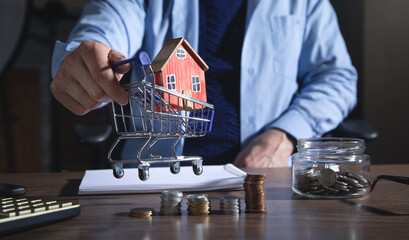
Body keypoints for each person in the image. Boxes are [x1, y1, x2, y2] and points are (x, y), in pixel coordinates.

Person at [50, 0, 357, 168]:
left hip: (264, 172)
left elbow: (337, 77)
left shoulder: (307, 4)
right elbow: (105, 24)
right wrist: (83, 55)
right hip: (157, 175)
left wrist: (285, 135)